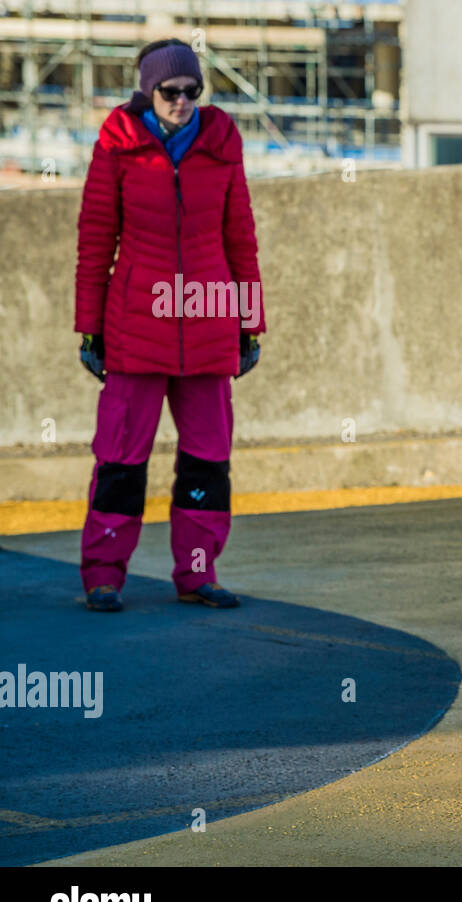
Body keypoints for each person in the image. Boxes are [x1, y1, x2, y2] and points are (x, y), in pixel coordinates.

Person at [75, 38, 266, 612]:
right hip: (136, 326)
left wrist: (250, 323)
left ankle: (199, 573)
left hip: (209, 322)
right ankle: (104, 576)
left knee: (208, 460)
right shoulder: (118, 145)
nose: (182, 101)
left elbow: (241, 238)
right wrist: (89, 328)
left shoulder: (221, 143)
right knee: (121, 460)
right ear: (148, 92)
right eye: (170, 91)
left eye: (192, 91)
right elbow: (95, 240)